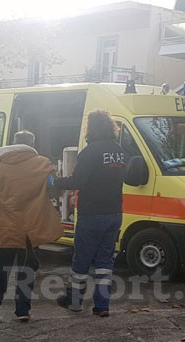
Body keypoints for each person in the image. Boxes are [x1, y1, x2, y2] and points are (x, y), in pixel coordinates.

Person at [0, 130, 63, 321]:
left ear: (14, 143)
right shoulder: (43, 164)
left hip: (4, 225)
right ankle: (22, 310)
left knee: (2, 264)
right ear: (32, 143)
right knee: (28, 267)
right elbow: (54, 187)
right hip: (31, 227)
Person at [54, 109, 125, 317]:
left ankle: (75, 301)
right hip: (114, 213)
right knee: (105, 262)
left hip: (91, 213)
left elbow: (78, 181)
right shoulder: (119, 150)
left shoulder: (90, 151)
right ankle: (102, 306)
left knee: (82, 260)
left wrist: (55, 182)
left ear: (91, 128)